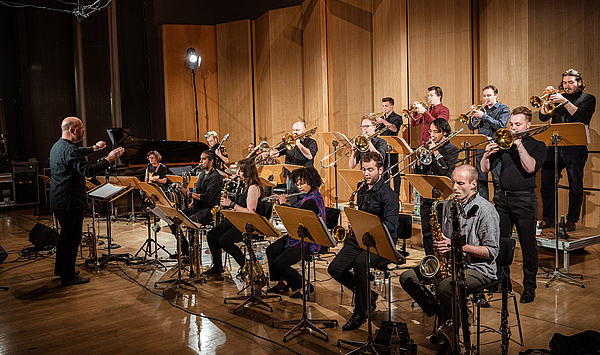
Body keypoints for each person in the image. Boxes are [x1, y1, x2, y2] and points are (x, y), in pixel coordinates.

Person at [399, 164, 500, 351]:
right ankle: (450, 319)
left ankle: (451, 333)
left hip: (479, 268)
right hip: (451, 263)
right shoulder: (448, 205)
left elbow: (491, 251)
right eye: (453, 182)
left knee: (446, 287)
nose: (454, 188)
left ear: (473, 185)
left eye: (460, 183)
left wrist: (458, 246)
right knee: (408, 278)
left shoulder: (486, 210)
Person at [481, 106, 547, 304]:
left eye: (517, 124)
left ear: (528, 125)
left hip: (525, 200)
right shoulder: (504, 144)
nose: (513, 128)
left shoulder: (538, 145)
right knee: (500, 242)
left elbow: (531, 168)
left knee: (528, 245)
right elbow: (485, 169)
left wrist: (518, 145)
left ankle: (529, 287)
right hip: (502, 199)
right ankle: (503, 280)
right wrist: (486, 155)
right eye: (511, 124)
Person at [328, 151, 399, 331]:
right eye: (364, 170)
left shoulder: (388, 194)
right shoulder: (361, 190)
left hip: (382, 243)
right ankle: (369, 296)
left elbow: (391, 226)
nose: (366, 174)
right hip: (361, 239)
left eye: (370, 170)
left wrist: (369, 228)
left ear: (380, 170)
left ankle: (361, 312)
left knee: (361, 263)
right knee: (334, 269)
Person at [49, 116, 124, 286]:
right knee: (72, 239)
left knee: (65, 237)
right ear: (72, 130)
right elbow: (88, 170)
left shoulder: (57, 146)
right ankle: (67, 277)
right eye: (81, 128)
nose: (83, 131)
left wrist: (94, 148)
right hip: (70, 201)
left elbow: (76, 153)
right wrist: (109, 159)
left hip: (58, 199)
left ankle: (61, 269)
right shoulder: (70, 150)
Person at [538, 69, 596, 232]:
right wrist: (546, 104)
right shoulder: (558, 98)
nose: (567, 85)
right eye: (564, 82)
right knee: (547, 183)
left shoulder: (588, 98)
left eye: (571, 82)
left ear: (579, 82)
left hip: (575, 148)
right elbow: (543, 118)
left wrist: (563, 100)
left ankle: (572, 219)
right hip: (554, 145)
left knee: (575, 184)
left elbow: (580, 117)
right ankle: (549, 218)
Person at [266, 167, 325, 298]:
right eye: (297, 184)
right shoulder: (307, 197)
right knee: (271, 251)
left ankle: (304, 285)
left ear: (312, 181)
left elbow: (295, 218)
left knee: (280, 263)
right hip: (297, 236)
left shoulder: (312, 200)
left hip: (309, 241)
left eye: (302, 183)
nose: (299, 187)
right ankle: (283, 282)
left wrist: (283, 205)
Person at [204, 158, 264, 275]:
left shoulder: (253, 188)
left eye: (240, 170)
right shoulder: (243, 185)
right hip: (237, 220)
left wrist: (231, 204)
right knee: (212, 235)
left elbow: (251, 212)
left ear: (248, 171)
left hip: (248, 224)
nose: (237, 173)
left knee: (224, 241)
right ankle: (217, 266)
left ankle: (246, 265)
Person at [414, 118, 459, 256]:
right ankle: (429, 260)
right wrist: (419, 164)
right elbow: (419, 173)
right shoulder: (427, 148)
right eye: (430, 131)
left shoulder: (452, 150)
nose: (431, 135)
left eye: (435, 132)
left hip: (442, 199)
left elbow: (445, 172)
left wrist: (435, 153)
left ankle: (443, 262)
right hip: (426, 196)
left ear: (444, 133)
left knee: (441, 233)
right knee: (427, 234)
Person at [172, 150, 223, 256]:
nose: (200, 161)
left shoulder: (215, 176)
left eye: (203, 159)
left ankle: (193, 252)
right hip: (197, 207)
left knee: (189, 222)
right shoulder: (201, 174)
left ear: (211, 161)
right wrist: (191, 201)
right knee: (173, 218)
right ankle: (185, 249)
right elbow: (198, 192)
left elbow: (208, 198)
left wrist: (189, 194)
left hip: (209, 209)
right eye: (200, 159)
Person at [467, 85, 510, 201]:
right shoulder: (481, 110)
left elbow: (501, 125)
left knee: (497, 179)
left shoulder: (503, 109)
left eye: (489, 95)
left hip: (496, 146)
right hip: (481, 147)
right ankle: (483, 207)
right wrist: (472, 116)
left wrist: (484, 116)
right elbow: (472, 127)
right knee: (481, 180)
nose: (486, 98)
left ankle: (498, 207)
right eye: (484, 96)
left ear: (495, 95)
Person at [272, 121, 318, 207]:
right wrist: (274, 152)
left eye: (297, 130)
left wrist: (299, 144)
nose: (294, 132)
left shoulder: (311, 142)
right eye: (293, 130)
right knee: (293, 200)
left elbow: (310, 156)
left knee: (304, 201)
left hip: (304, 178)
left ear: (304, 130)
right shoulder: (289, 141)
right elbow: (280, 150)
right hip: (291, 176)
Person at [377, 97, 404, 193]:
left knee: (395, 170)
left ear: (392, 106)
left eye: (386, 106)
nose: (384, 108)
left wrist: (383, 121)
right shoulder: (382, 118)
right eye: (383, 106)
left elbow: (394, 129)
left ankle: (396, 193)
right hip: (382, 146)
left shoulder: (397, 117)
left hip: (393, 147)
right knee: (383, 170)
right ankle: (385, 191)